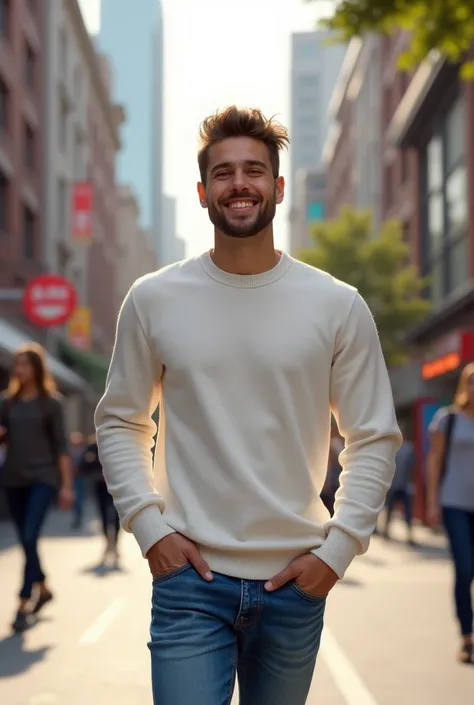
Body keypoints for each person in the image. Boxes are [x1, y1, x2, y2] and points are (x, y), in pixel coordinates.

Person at [95, 107, 401, 705]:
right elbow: (120, 420)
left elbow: (373, 438)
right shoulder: (153, 299)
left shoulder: (337, 305)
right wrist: (149, 527)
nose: (241, 184)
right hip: (189, 583)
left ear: (278, 187)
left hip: (295, 581)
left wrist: (337, 552)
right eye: (225, 172)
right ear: (204, 191)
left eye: (255, 171)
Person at [0, 343, 73, 633]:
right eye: (17, 365)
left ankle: (22, 602)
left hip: (43, 478)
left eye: (25, 364)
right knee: (26, 540)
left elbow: (62, 448)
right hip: (14, 479)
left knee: (30, 535)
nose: (19, 370)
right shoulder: (7, 402)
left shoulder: (51, 403)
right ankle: (43, 587)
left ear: (37, 368)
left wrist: (66, 485)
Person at [427, 363, 474, 665]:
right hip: (455, 503)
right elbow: (435, 460)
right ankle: (467, 637)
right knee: (465, 568)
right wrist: (432, 501)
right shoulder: (449, 419)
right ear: (464, 386)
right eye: (472, 382)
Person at [80, 433, 120, 564]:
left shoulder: (115, 446)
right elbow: (83, 466)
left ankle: (115, 545)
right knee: (103, 516)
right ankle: (107, 543)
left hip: (116, 487)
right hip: (100, 486)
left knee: (116, 517)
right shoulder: (92, 448)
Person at [382, 426, 416, 545]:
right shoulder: (391, 449)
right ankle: (386, 532)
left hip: (405, 485)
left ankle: (410, 535)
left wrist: (412, 483)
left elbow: (413, 468)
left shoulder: (409, 448)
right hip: (393, 484)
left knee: (408, 512)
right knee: (389, 510)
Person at [70, 431, 86, 530]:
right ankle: (76, 517)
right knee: (75, 499)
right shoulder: (70, 452)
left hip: (80, 477)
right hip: (72, 477)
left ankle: (78, 517)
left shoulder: (83, 452)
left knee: (79, 499)